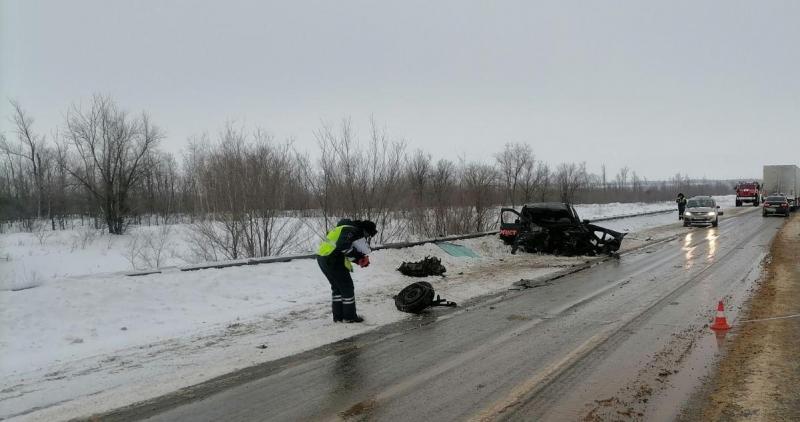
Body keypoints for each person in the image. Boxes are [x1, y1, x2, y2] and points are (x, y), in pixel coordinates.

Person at [317, 219, 378, 323]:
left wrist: (359, 260)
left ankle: (338, 317)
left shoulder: (343, 228)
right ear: (364, 230)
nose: (365, 237)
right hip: (333, 260)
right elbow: (343, 246)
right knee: (347, 288)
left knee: (337, 289)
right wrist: (359, 256)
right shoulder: (351, 230)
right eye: (367, 235)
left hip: (323, 257)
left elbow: (344, 250)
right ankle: (349, 317)